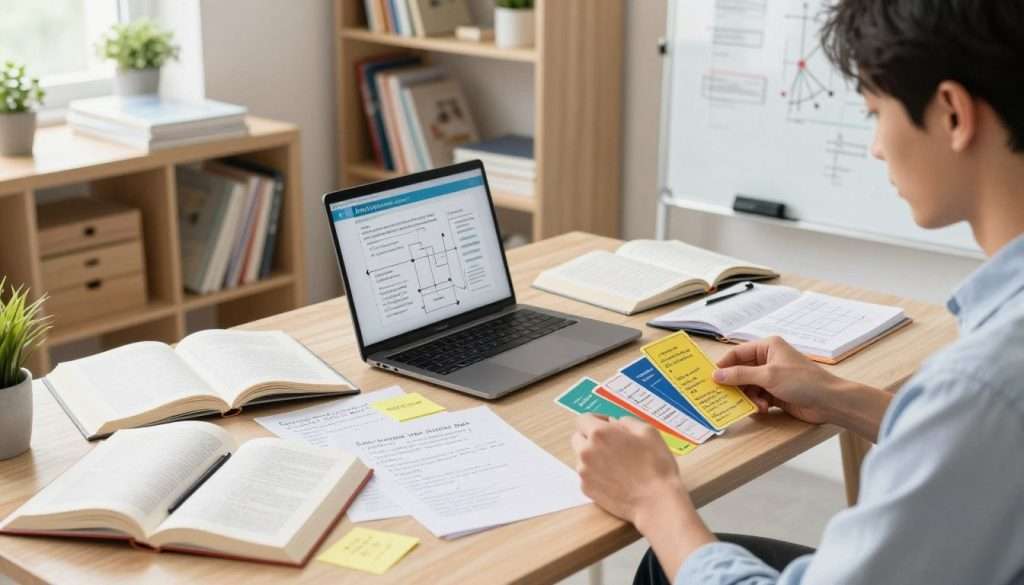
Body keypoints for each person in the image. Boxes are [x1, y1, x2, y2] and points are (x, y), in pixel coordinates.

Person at [570, 1, 1024, 583]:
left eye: (874, 112)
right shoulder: (983, 395)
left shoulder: (978, 386)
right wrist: (838, 396)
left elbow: (977, 420)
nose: (877, 147)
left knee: (668, 556)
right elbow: (984, 454)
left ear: (953, 114)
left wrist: (652, 499)